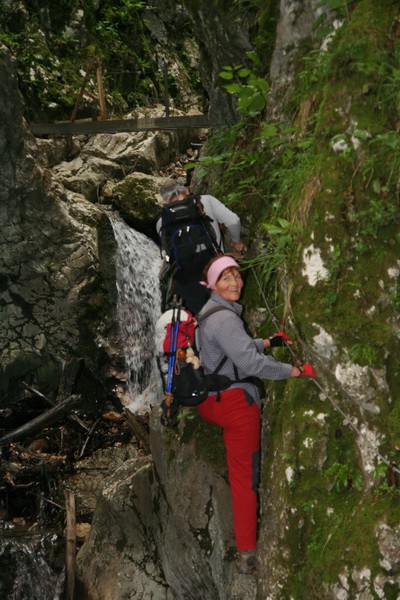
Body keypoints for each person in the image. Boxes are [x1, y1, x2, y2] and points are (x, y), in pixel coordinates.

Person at [197, 254, 316, 574]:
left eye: (236, 275)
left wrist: (267, 341)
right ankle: (247, 553)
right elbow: (250, 364)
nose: (234, 282)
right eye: (226, 278)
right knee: (245, 480)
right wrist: (294, 371)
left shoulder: (210, 312)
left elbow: (234, 349)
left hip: (211, 400)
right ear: (212, 284)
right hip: (235, 406)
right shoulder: (225, 318)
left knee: (241, 475)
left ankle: (246, 543)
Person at [156, 180, 244, 314]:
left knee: (198, 320)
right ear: (186, 191)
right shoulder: (205, 201)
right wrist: (235, 240)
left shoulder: (162, 222)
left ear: (165, 202)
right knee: (225, 313)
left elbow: (168, 252)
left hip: (187, 280)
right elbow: (233, 221)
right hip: (215, 271)